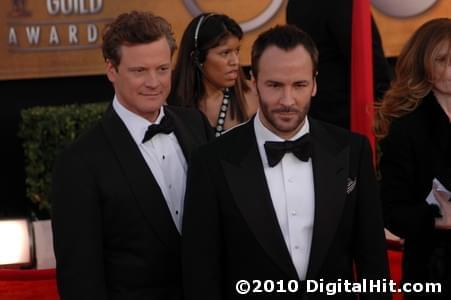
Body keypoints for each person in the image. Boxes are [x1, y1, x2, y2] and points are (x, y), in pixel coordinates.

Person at [182, 25, 390, 300]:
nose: (287, 100)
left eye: (299, 85)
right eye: (275, 85)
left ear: (315, 83)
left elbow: (372, 259)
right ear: (253, 81)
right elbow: (201, 273)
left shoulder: (352, 150)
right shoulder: (212, 162)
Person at [51, 11, 212, 300]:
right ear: (111, 70)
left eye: (162, 69)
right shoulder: (79, 162)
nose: (154, 82)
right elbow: (80, 279)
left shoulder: (195, 125)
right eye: (140, 71)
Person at [375, 18, 451, 299]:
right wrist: (437, 220)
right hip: (432, 270)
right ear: (424, 64)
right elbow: (392, 211)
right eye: (443, 59)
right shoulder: (406, 128)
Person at [286, 0, 392, 129]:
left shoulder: (295, 3)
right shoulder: (340, 3)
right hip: (350, 113)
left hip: (316, 111)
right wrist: (386, 103)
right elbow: (368, 57)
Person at [170, 13, 258, 137]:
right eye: (225, 53)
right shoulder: (167, 101)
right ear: (197, 57)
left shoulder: (253, 98)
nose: (235, 62)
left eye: (237, 51)